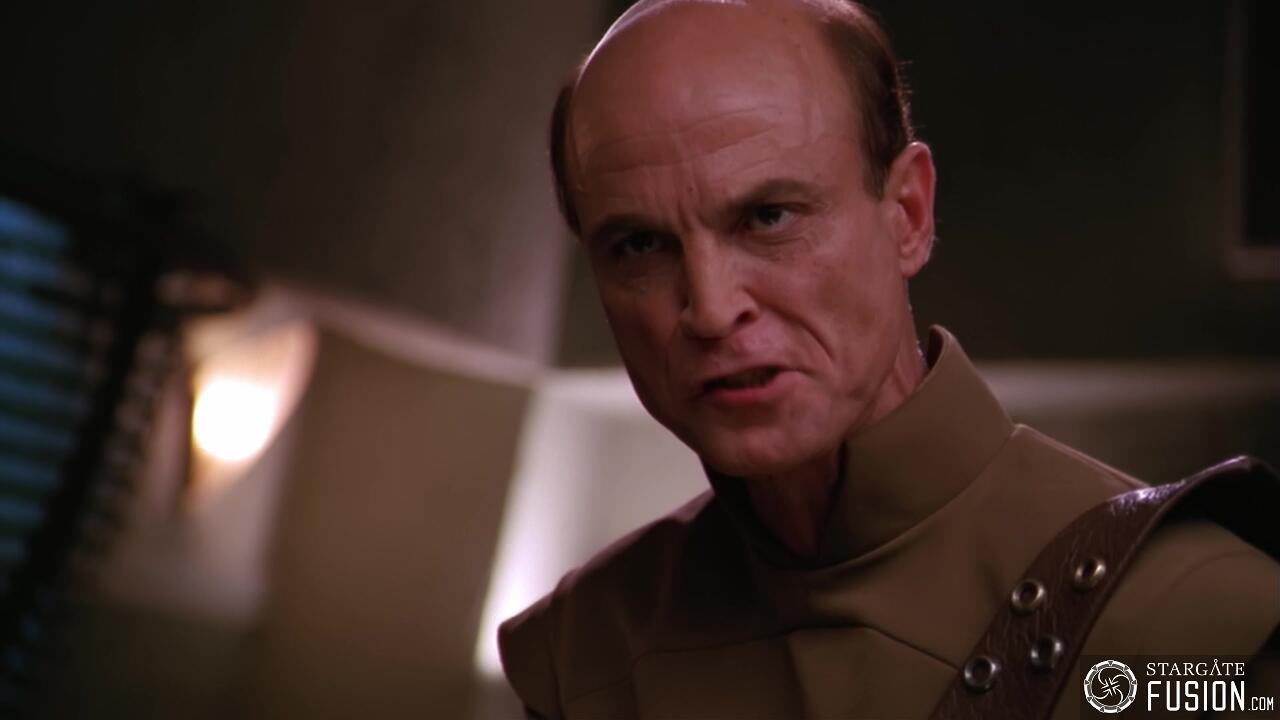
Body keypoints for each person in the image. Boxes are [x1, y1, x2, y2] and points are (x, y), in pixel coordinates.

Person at [498, 1, 1280, 717]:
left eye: (769, 217)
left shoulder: (1194, 620)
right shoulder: (585, 650)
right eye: (640, 245)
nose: (709, 307)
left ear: (907, 214)